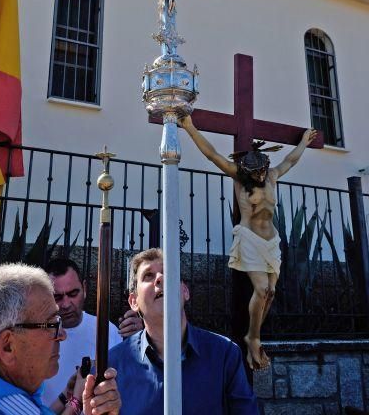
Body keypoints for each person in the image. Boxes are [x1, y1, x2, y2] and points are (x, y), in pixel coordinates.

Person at [180, 115, 317, 370]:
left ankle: (255, 333)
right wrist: (189, 126)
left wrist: (303, 143)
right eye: (256, 172)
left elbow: (290, 160)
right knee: (262, 289)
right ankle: (252, 338)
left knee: (271, 293)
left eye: (263, 170)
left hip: (271, 241)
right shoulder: (238, 177)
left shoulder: (272, 176)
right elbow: (212, 154)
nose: (261, 175)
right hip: (250, 239)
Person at [102, 248, 258, 415]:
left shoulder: (225, 355)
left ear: (185, 292)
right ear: (134, 302)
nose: (160, 278)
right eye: (148, 276)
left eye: (167, 272)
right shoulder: (113, 365)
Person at [0, 263, 121, 415]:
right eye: (51, 324)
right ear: (8, 346)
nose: (62, 335)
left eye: (73, 293)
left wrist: (68, 399)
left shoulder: (15, 399)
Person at [42, 257, 143, 409]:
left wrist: (140, 338)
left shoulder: (107, 330)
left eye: (73, 293)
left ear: (84, 289)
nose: (66, 304)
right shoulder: (35, 336)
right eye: (57, 297)